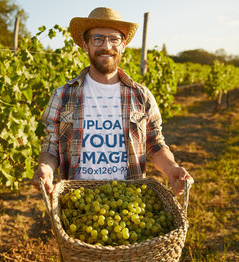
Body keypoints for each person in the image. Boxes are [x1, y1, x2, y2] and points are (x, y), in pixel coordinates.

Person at [32, 7, 193, 196]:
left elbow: (155, 144)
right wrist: (46, 168)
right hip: (78, 203)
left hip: (129, 202)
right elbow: (51, 146)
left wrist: (172, 168)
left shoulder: (141, 96)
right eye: (97, 39)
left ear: (123, 45)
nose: (107, 46)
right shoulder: (62, 96)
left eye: (114, 39)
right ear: (85, 45)